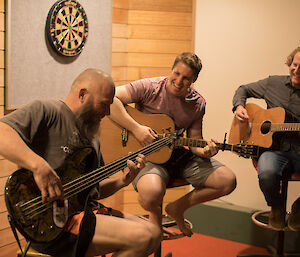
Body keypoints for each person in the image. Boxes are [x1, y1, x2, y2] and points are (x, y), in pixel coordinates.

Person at [0, 68, 161, 257]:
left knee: (154, 233)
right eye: (104, 104)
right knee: (143, 237)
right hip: (50, 221)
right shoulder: (46, 111)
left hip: (83, 212)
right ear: (83, 95)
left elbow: (92, 190)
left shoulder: (92, 136)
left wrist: (122, 181)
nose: (107, 112)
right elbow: (2, 131)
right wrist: (38, 165)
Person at [108, 52, 237, 237]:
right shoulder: (150, 87)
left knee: (227, 181)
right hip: (145, 155)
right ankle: (155, 224)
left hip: (177, 154)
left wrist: (206, 151)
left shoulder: (197, 103)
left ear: (194, 79)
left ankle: (177, 208)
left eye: (186, 78)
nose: (178, 80)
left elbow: (195, 140)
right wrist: (136, 129)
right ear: (171, 69)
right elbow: (110, 98)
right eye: (176, 73)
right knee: (152, 193)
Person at [232, 47, 300, 231]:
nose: (297, 70)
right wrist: (239, 107)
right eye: (295, 64)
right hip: (274, 150)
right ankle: (276, 206)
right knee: (267, 173)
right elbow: (243, 89)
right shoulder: (273, 83)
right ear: (290, 63)